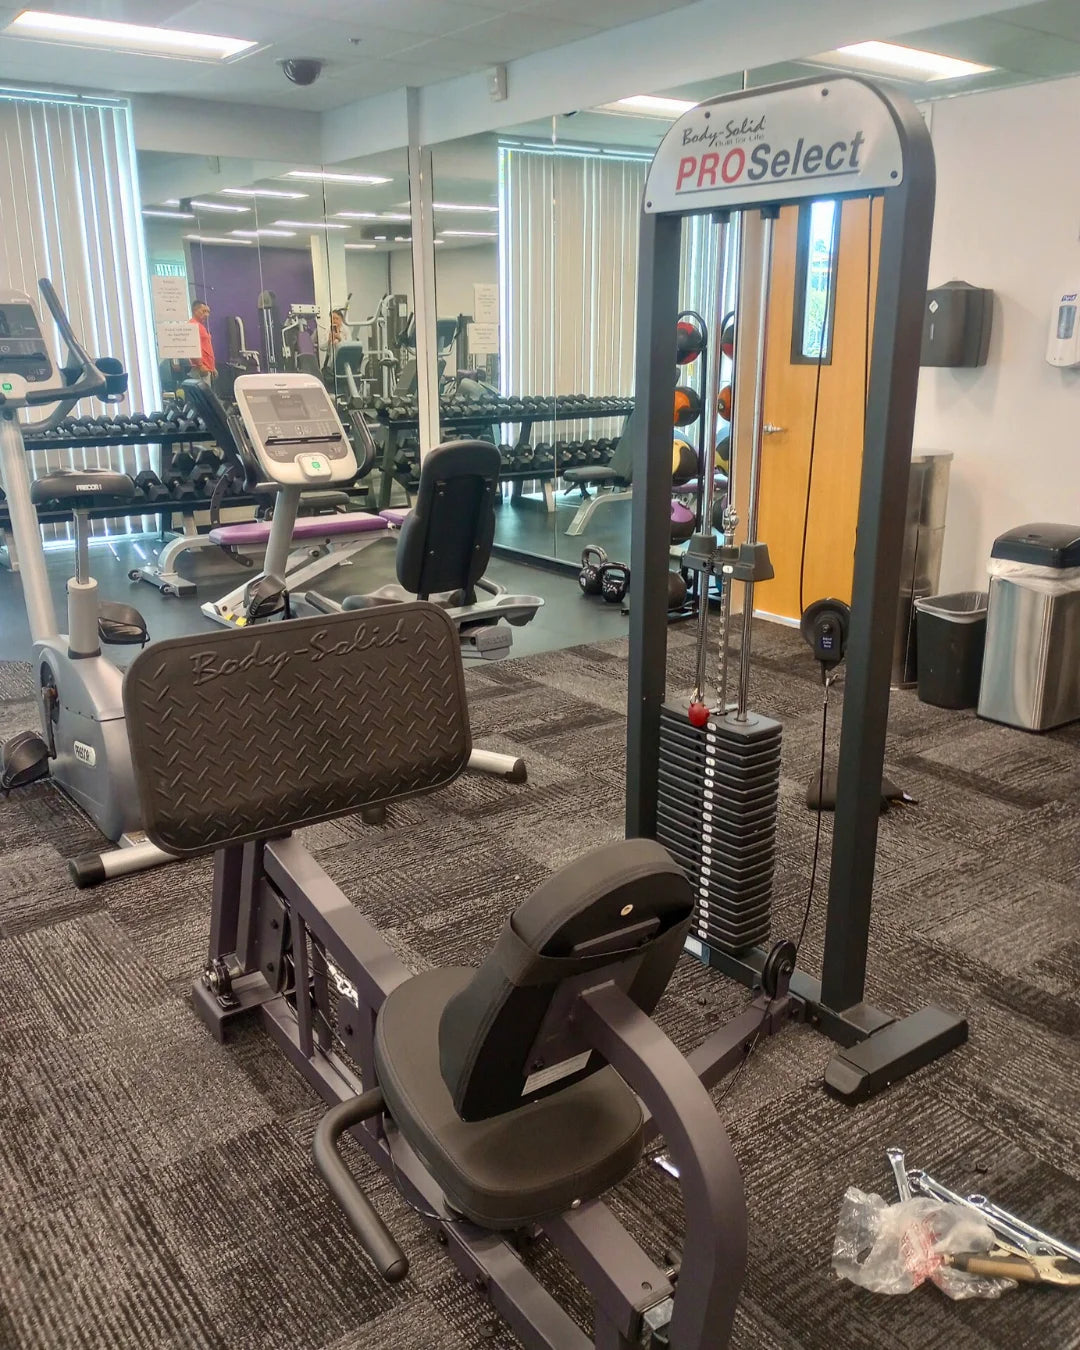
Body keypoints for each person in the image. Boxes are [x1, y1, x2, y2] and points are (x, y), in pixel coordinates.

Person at [189, 299, 216, 384]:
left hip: (206, 368)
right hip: (200, 369)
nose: (207, 315)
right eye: (204, 311)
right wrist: (200, 365)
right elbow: (192, 347)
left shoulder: (200, 326)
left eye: (208, 312)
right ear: (195, 310)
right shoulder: (192, 325)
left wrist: (212, 367)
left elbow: (206, 348)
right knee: (202, 396)